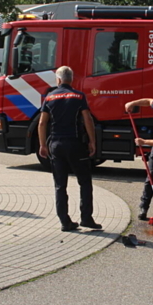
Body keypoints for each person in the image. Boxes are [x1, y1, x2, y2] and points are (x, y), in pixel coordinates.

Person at [37, 66, 100, 232]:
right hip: (76, 144)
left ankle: (65, 221)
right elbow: (87, 119)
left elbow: (42, 122)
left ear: (58, 80)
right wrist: (92, 141)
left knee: (60, 185)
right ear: (71, 79)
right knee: (85, 182)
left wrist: (43, 145)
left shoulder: (49, 97)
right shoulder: (79, 96)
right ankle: (86, 218)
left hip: (56, 145)